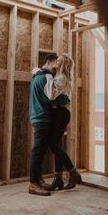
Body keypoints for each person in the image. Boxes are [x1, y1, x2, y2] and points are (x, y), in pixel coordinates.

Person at [38, 54, 82, 191]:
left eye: (59, 61)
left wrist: (48, 76)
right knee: (57, 145)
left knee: (53, 145)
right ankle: (58, 178)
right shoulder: (59, 76)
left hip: (62, 114)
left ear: (63, 64)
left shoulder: (61, 78)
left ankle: (72, 172)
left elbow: (51, 95)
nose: (56, 61)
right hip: (58, 114)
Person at [28, 53, 69, 196]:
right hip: (41, 118)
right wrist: (65, 100)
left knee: (41, 150)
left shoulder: (37, 76)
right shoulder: (45, 78)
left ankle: (38, 180)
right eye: (56, 63)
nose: (57, 67)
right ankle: (33, 183)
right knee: (38, 151)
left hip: (39, 117)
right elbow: (51, 99)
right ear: (50, 62)